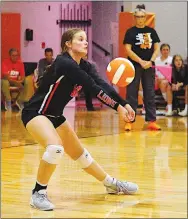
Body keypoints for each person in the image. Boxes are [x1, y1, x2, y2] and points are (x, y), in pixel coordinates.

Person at [21, 28, 139, 211]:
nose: (86, 42)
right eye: (80, 39)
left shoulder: (85, 65)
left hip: (55, 116)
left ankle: (111, 184)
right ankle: (38, 193)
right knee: (55, 147)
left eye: (86, 39)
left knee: (81, 155)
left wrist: (124, 103)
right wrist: (118, 108)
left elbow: (102, 84)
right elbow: (92, 87)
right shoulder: (64, 63)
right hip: (36, 113)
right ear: (68, 44)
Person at [123, 4, 161, 131]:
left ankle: (151, 120)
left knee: (149, 93)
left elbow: (157, 48)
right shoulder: (130, 32)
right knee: (131, 93)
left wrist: (150, 61)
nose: (140, 19)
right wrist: (140, 61)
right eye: (138, 17)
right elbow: (128, 50)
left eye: (142, 17)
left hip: (149, 66)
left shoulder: (152, 32)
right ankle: (129, 120)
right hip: (134, 65)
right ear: (134, 17)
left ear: (145, 17)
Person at [155, 44, 173, 115]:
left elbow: (172, 73)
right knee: (144, 84)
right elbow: (153, 72)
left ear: (169, 51)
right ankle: (147, 105)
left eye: (167, 50)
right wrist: (156, 78)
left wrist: (163, 78)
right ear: (161, 51)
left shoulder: (171, 60)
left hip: (167, 80)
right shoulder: (156, 60)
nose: (165, 51)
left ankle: (169, 104)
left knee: (163, 83)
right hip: (157, 79)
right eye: (164, 50)